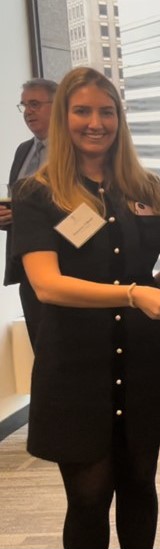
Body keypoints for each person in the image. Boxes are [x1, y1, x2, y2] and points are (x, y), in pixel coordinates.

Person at [11, 67, 160, 549]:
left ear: (120, 119)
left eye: (106, 111)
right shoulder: (38, 194)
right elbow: (47, 285)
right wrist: (134, 294)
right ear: (63, 119)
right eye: (83, 111)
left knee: (140, 488)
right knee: (88, 498)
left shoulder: (146, 188)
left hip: (144, 362)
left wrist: (151, 294)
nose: (96, 123)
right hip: (76, 368)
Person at [2, 78, 58, 348]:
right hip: (26, 269)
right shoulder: (23, 150)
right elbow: (20, 203)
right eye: (24, 105)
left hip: (66, 267)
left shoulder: (75, 151)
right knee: (42, 348)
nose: (28, 112)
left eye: (35, 104)